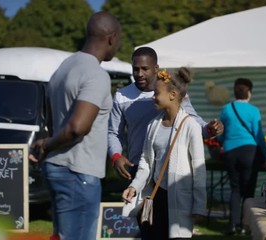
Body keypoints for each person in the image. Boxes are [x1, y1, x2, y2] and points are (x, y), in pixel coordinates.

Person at [29, 11, 121, 240]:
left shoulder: (62, 69)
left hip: (56, 168)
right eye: (119, 40)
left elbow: (51, 120)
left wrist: (48, 144)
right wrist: (49, 143)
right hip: (78, 173)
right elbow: (77, 127)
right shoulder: (96, 75)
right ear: (111, 38)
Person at [108, 46, 223, 181]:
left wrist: (210, 129)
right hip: (139, 168)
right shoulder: (122, 96)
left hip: (172, 167)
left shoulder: (173, 92)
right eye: (135, 69)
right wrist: (116, 156)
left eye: (145, 69)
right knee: (140, 203)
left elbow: (193, 122)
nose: (139, 74)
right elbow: (114, 133)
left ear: (156, 68)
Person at [122, 68, 206, 239]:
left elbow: (199, 169)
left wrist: (199, 206)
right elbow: (145, 161)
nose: (153, 96)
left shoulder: (191, 126)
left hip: (179, 200)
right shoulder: (153, 125)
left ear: (173, 95)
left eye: (157, 92)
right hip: (155, 197)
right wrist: (134, 186)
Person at [216, 78, 266, 235]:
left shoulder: (226, 109)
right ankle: (246, 226)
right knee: (249, 190)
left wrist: (224, 143)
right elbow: (259, 136)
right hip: (249, 152)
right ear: (249, 93)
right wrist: (265, 154)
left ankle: (232, 225)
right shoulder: (254, 111)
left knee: (235, 189)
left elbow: (219, 134)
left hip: (230, 152)